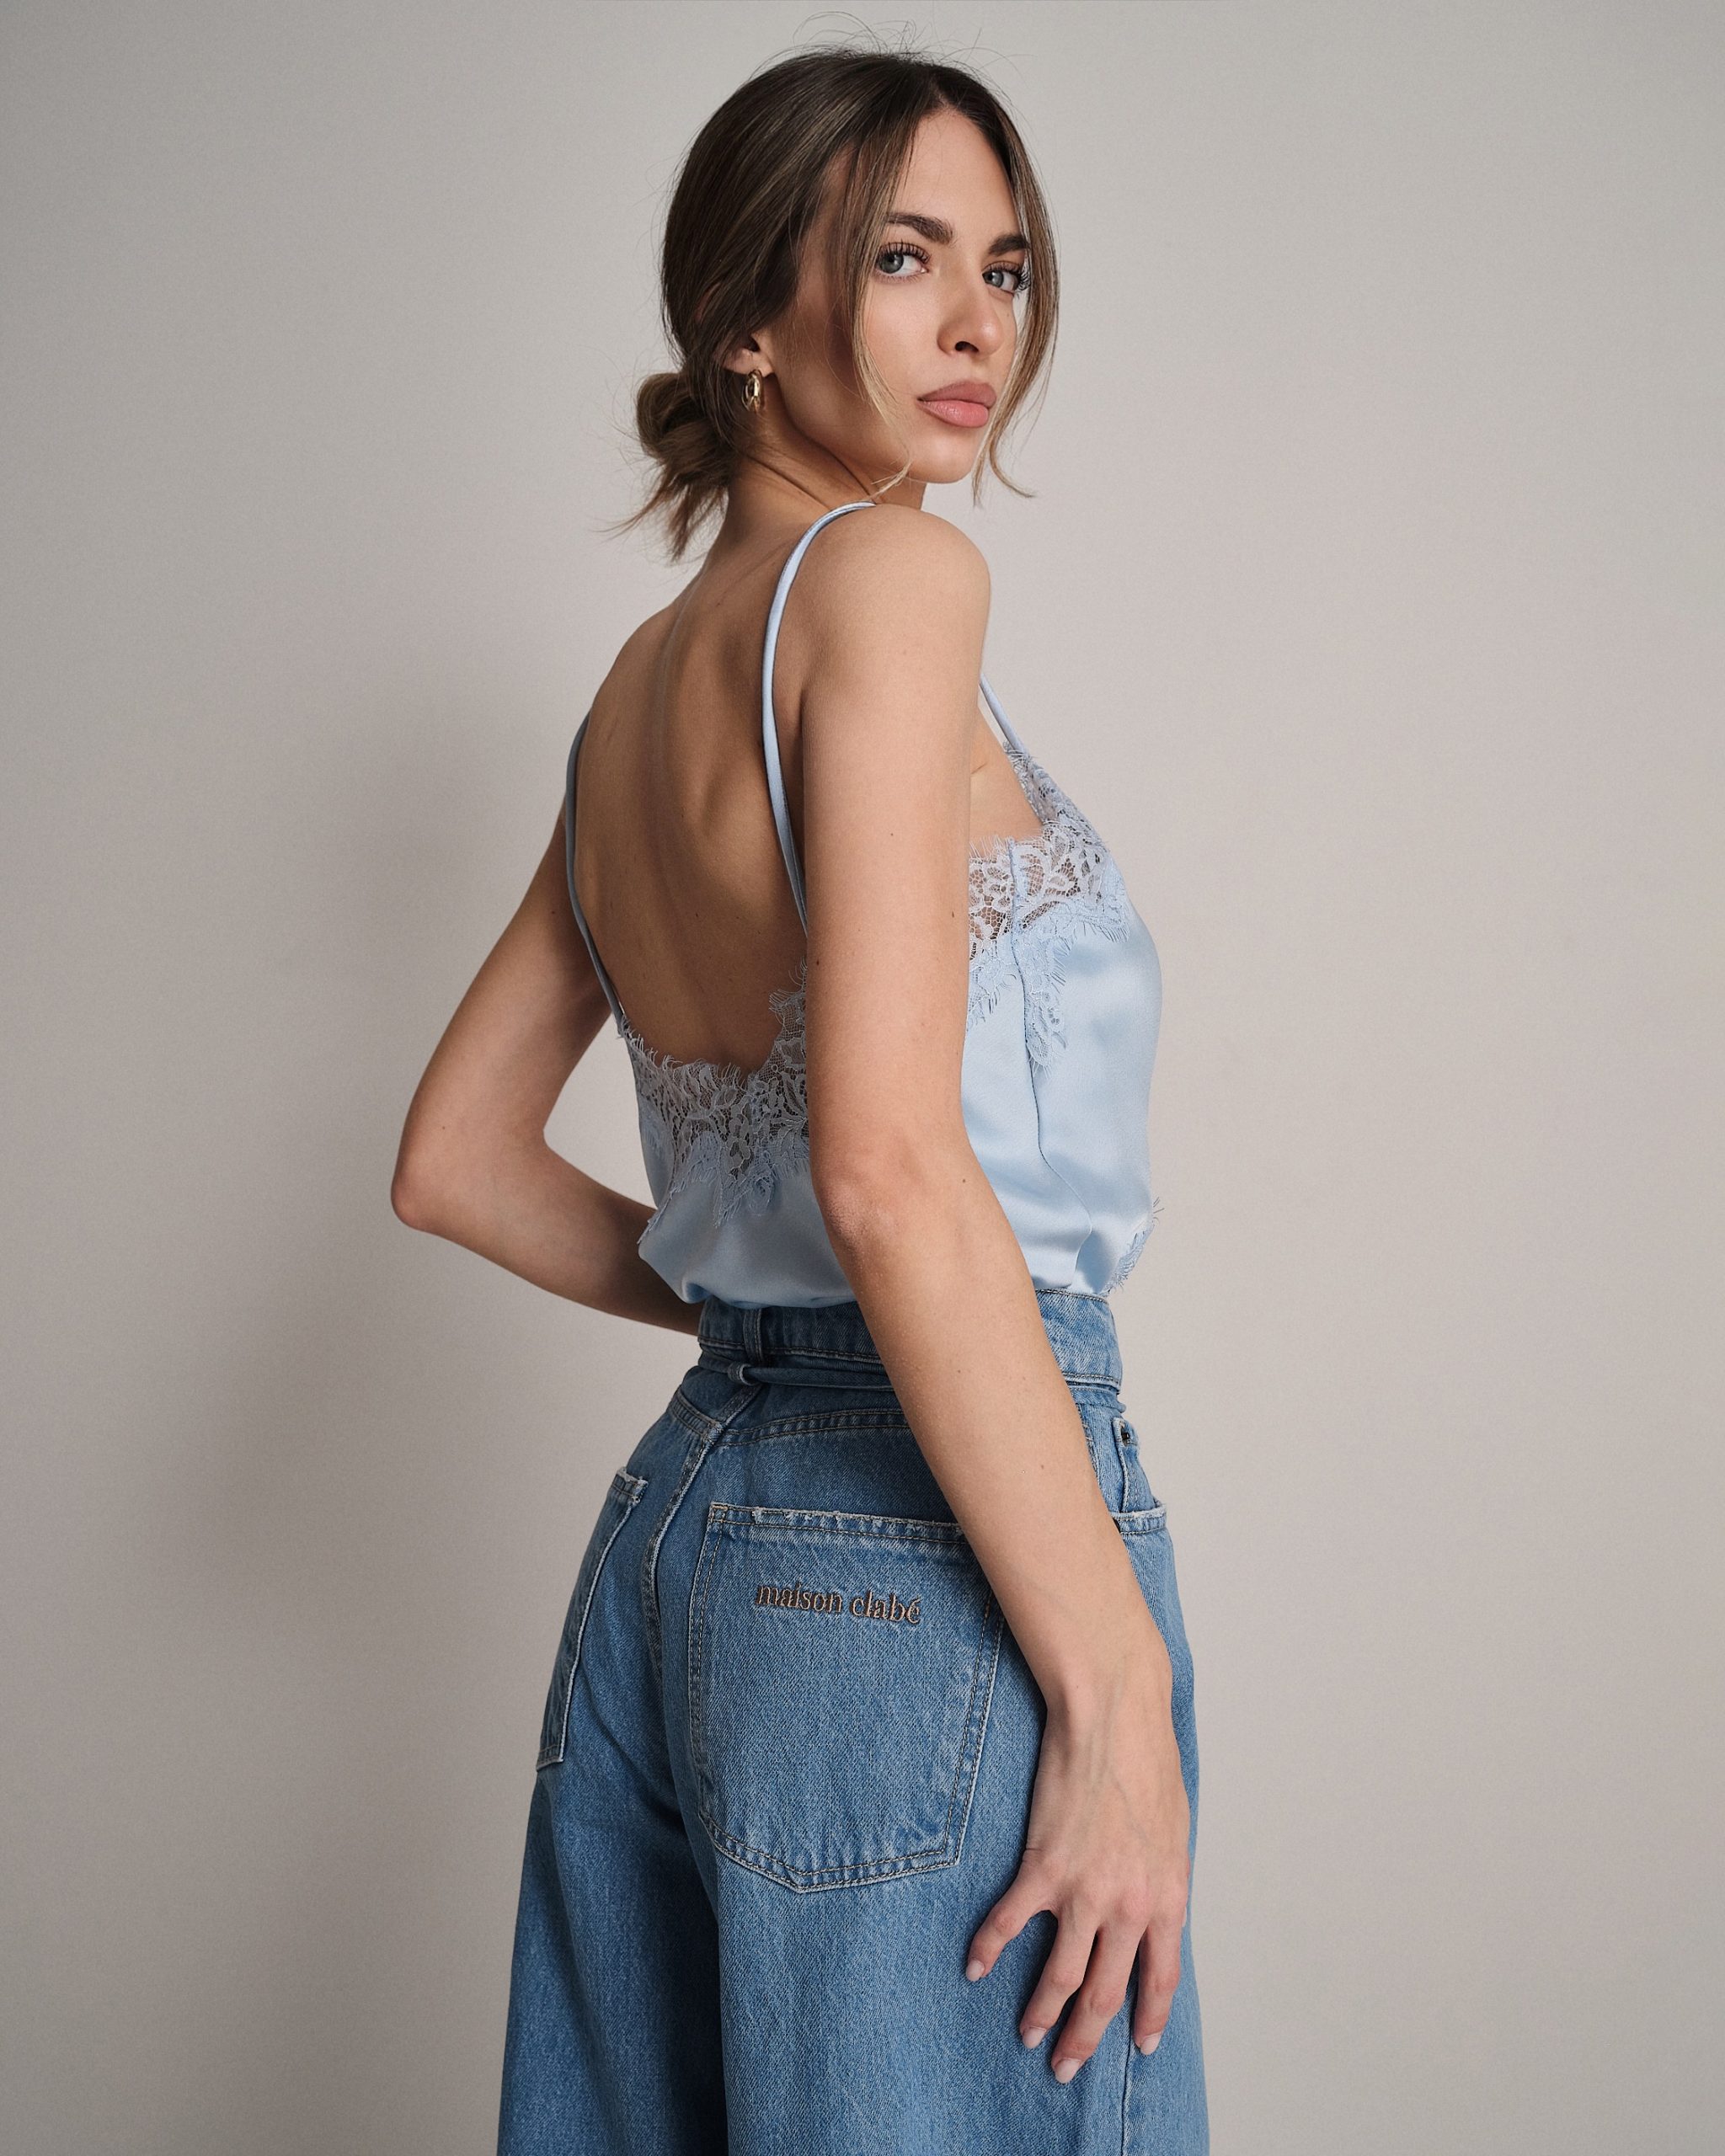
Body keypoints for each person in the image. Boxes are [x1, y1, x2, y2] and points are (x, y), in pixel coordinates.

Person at [393, 41, 1207, 2156]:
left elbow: (454, 1161)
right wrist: (1114, 1684)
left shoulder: (633, 692)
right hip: (930, 1544)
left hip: (691, 1538)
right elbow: (885, 1165)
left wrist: (770, 1332)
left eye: (1003, 267)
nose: (977, 324)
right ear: (747, 317)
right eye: (903, 258)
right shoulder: (891, 581)